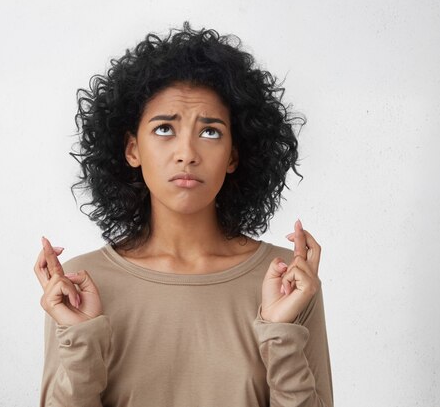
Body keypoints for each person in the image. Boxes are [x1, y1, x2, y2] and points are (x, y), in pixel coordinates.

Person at [34, 22, 333, 407]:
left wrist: (280, 334)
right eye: (163, 129)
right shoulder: (79, 286)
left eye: (210, 132)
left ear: (233, 156)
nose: (187, 152)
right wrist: (82, 342)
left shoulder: (287, 281)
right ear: (131, 149)